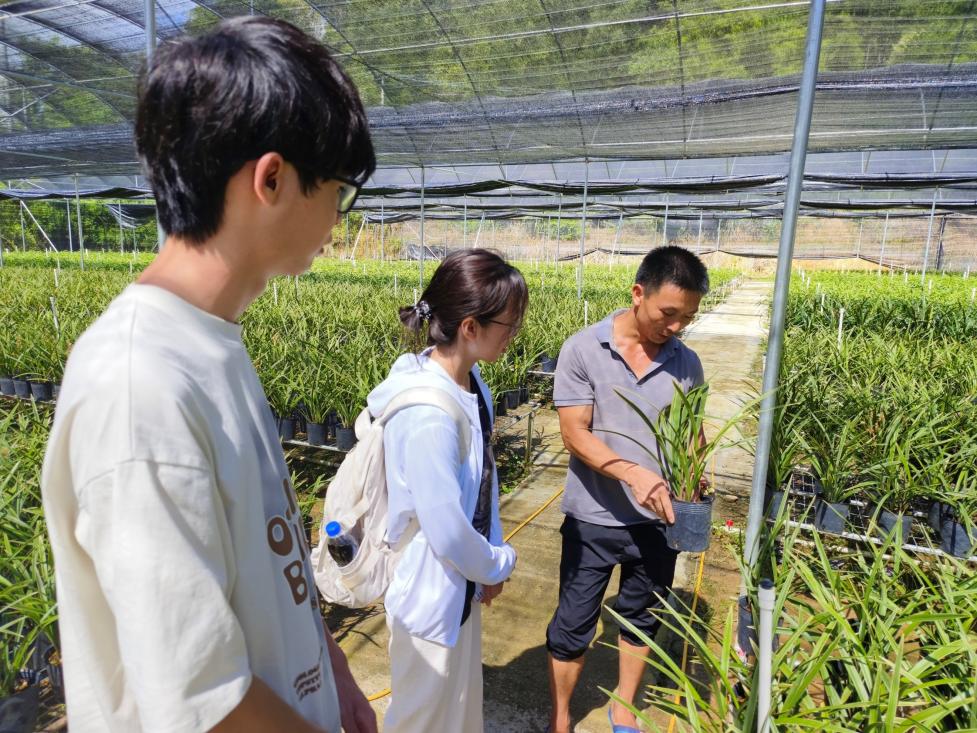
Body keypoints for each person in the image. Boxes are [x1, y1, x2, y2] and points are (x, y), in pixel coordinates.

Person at [41, 17, 377, 733]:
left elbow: (268, 552)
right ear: (273, 178)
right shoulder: (140, 384)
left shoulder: (208, 343)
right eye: (339, 191)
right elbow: (203, 702)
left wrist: (331, 666)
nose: (337, 221)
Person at [545, 246, 709, 733]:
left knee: (641, 621)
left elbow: (691, 434)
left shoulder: (688, 363)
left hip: (658, 523)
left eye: (688, 317)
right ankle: (559, 718)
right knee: (573, 626)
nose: (676, 326)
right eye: (668, 313)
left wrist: (697, 479)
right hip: (593, 517)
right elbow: (575, 433)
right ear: (638, 294)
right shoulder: (583, 349)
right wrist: (634, 473)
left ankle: (624, 711)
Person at [366, 249, 525, 733]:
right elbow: (447, 532)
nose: (514, 336)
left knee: (457, 711)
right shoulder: (428, 414)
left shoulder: (474, 385)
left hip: (460, 587)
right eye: (509, 325)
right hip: (429, 595)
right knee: (421, 719)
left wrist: (488, 560)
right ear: (471, 327)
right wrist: (498, 562)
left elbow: (483, 481)